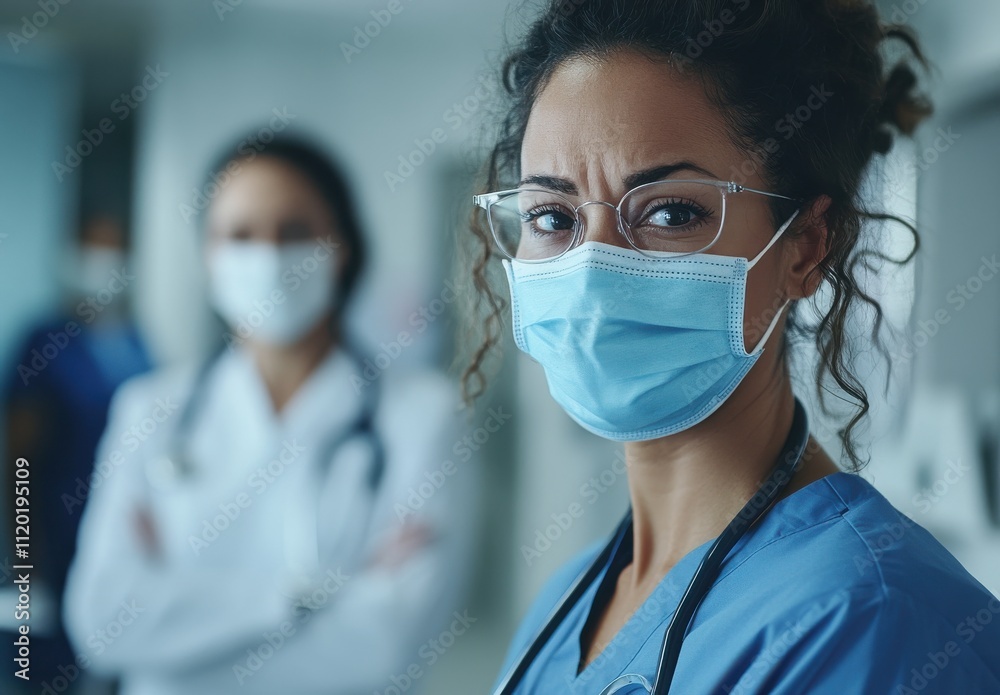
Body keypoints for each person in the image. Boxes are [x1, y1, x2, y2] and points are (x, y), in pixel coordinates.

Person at [463, 1, 1000, 693]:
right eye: (551, 216)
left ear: (806, 245)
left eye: (670, 212)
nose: (594, 269)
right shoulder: (565, 599)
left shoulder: (875, 621)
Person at [63, 135, 476, 694]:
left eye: (295, 232)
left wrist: (171, 648)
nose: (268, 256)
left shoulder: (420, 417)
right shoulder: (151, 409)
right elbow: (102, 623)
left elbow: (384, 646)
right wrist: (304, 598)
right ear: (208, 256)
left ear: (342, 246)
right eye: (240, 235)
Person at [2, 213, 152, 691]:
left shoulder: (134, 340)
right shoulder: (44, 341)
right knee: (46, 669)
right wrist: (25, 557)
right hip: (56, 537)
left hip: (124, 540)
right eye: (93, 250)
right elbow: (18, 461)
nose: (103, 264)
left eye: (114, 251)